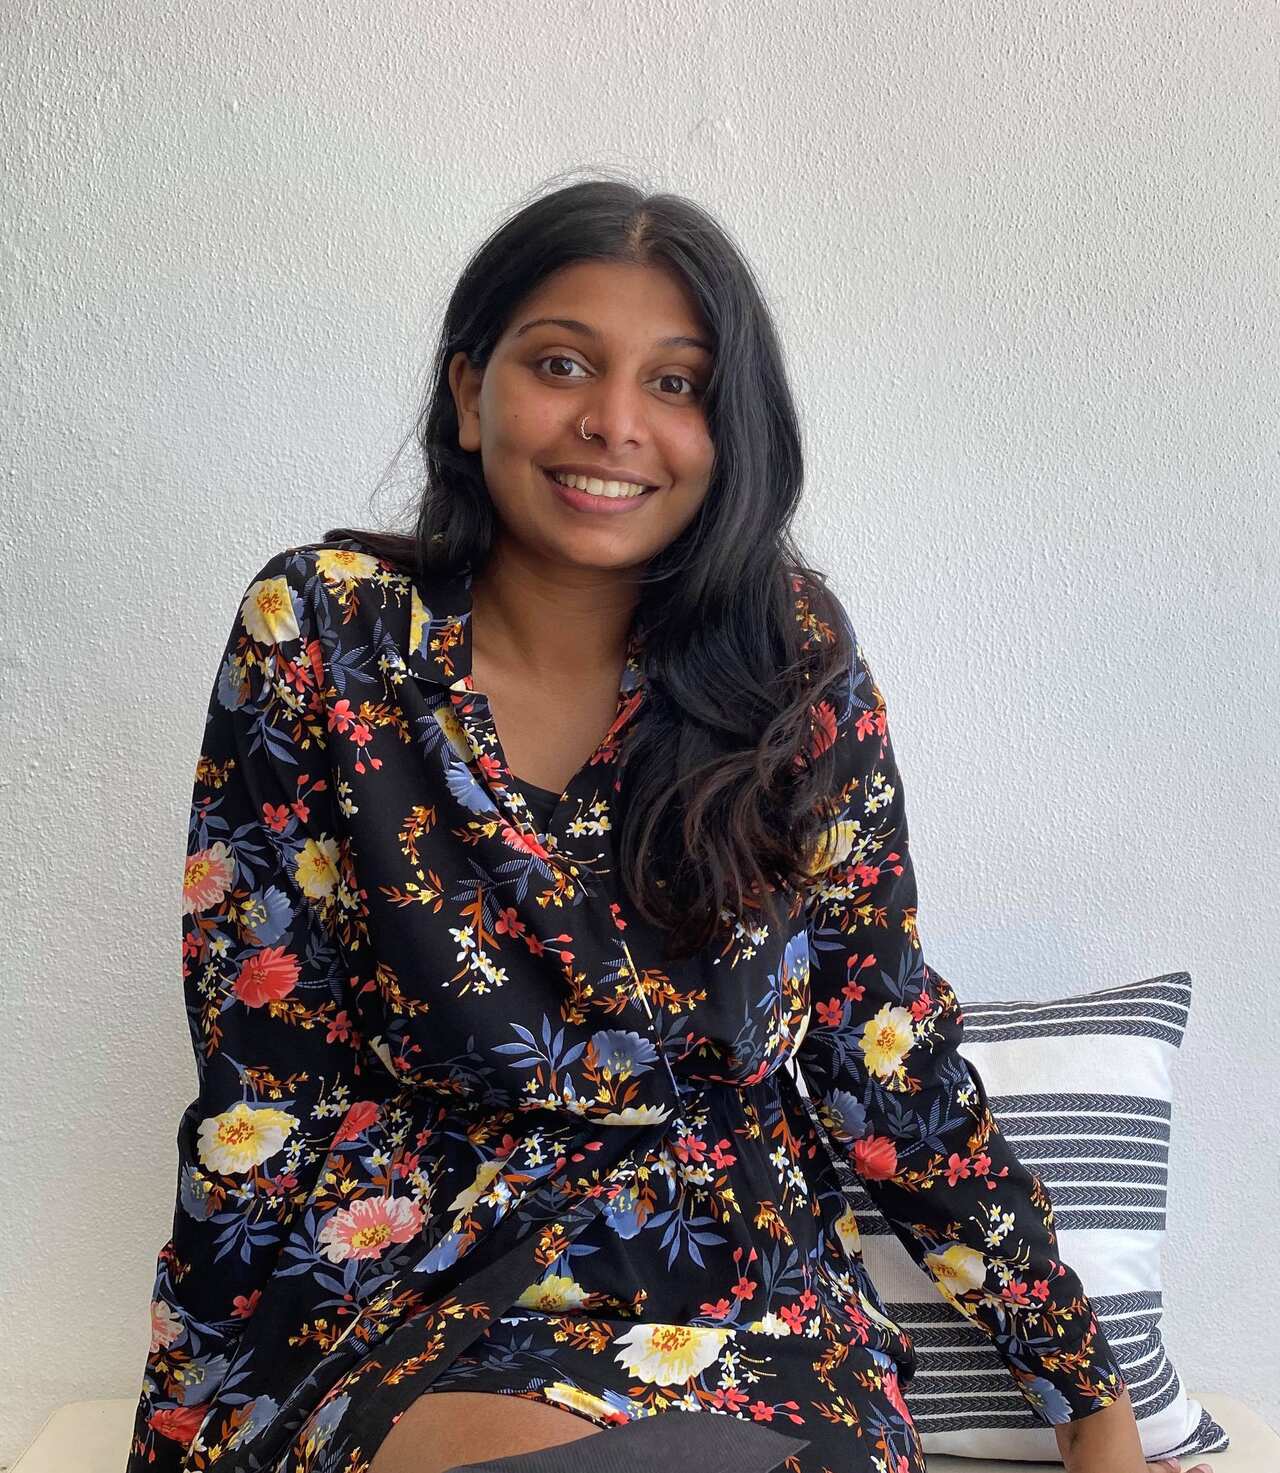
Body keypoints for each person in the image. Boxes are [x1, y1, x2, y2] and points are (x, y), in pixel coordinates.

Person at [126, 178, 1206, 1473]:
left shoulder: (790, 665)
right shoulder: (325, 634)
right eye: (563, 362)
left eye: (679, 383)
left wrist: (1091, 1393)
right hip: (432, 1296)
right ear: (470, 393)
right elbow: (263, 1081)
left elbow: (888, 1064)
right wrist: (188, 1427)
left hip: (749, 1296)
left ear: (729, 429)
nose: (614, 421)